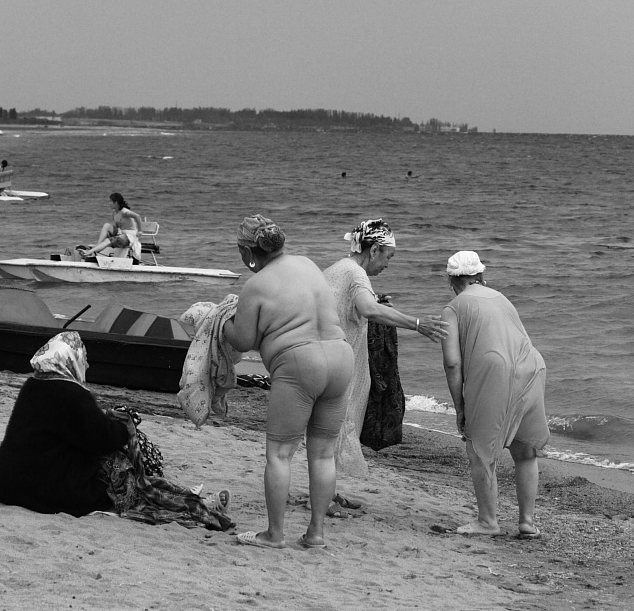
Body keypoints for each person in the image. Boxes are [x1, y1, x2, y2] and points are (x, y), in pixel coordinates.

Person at [0, 332, 233, 530]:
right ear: (70, 359)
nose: (86, 364)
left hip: (7, 485)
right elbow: (101, 439)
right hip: (43, 492)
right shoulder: (71, 394)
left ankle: (193, 497)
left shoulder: (32, 386)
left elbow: (74, 429)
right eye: (83, 358)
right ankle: (197, 503)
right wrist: (125, 427)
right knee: (123, 484)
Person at [223, 214, 354, 550]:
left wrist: (216, 321)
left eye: (241, 252)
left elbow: (242, 339)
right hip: (340, 356)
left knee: (280, 454)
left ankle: (274, 535)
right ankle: (316, 534)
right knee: (323, 453)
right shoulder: (308, 264)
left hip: (299, 363)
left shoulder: (256, 285)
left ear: (249, 252)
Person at [323, 219, 448, 487]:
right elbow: (369, 310)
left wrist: (375, 300)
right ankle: (325, 498)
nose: (387, 264)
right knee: (337, 432)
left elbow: (352, 304)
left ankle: (328, 493)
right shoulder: (356, 274)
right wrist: (416, 324)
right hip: (341, 366)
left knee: (331, 433)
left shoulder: (338, 269)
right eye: (387, 257)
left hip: (327, 360)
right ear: (374, 250)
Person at [440, 251, 550, 538]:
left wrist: (460, 408)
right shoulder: (502, 298)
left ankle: (488, 521)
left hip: (494, 371)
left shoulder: (452, 308)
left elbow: (452, 363)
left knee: (480, 451)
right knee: (525, 451)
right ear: (480, 276)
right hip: (532, 365)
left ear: (452, 280)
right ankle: (527, 522)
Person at [82, 192, 143, 260]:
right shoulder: (114, 212)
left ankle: (90, 252)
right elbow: (118, 226)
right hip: (121, 233)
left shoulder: (124, 211)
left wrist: (140, 231)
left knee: (108, 240)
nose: (109, 203)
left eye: (110, 201)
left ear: (116, 202)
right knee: (107, 225)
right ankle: (97, 245)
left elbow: (137, 216)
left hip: (129, 236)